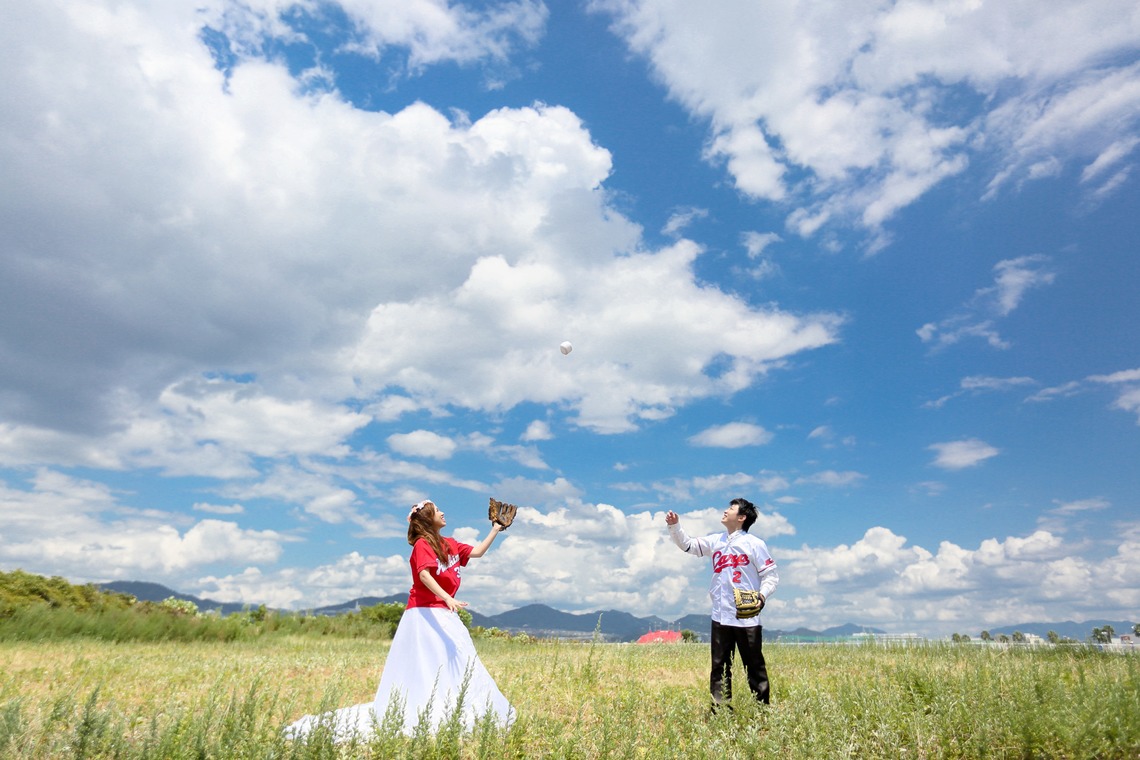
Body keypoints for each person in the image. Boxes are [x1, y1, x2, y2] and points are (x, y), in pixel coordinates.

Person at [286, 499, 515, 740]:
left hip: (443, 611)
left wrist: (495, 529)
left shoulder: (451, 544)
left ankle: (452, 706)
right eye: (438, 510)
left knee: (457, 658)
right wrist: (448, 597)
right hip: (424, 613)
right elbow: (424, 575)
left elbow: (477, 552)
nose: (443, 512)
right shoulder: (422, 545)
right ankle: (427, 709)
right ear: (427, 518)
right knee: (429, 664)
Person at [665, 497, 779, 709]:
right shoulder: (715, 541)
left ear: (742, 517)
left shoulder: (755, 544)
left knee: (754, 666)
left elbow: (771, 576)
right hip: (721, 615)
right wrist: (674, 526)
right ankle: (721, 712)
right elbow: (688, 545)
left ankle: (762, 710)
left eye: (731, 508)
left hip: (747, 616)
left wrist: (761, 597)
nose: (725, 511)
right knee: (719, 667)